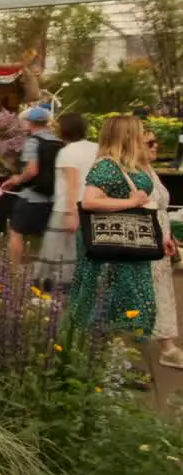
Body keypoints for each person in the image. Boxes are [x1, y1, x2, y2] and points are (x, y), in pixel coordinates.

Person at [69, 115, 161, 344]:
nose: (144, 136)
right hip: (111, 249)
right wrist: (131, 202)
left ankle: (117, 360)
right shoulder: (107, 166)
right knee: (110, 303)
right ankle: (104, 359)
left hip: (130, 245)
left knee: (133, 302)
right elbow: (90, 201)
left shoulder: (130, 164)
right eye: (140, 132)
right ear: (128, 135)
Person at [34, 113, 99, 291]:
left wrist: (71, 213)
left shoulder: (66, 152)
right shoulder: (97, 148)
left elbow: (72, 184)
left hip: (67, 208)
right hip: (93, 206)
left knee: (58, 250)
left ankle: (56, 289)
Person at [2, 107, 62, 266]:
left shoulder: (33, 142)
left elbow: (31, 170)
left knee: (16, 231)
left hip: (32, 196)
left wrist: (16, 180)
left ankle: (14, 270)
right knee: (49, 235)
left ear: (29, 123)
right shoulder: (59, 142)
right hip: (55, 197)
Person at [144, 131, 183, 368]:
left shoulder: (149, 171)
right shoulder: (134, 173)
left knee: (158, 294)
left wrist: (169, 236)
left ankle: (167, 347)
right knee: (153, 294)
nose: (155, 145)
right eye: (149, 143)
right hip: (147, 244)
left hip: (161, 242)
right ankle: (167, 348)